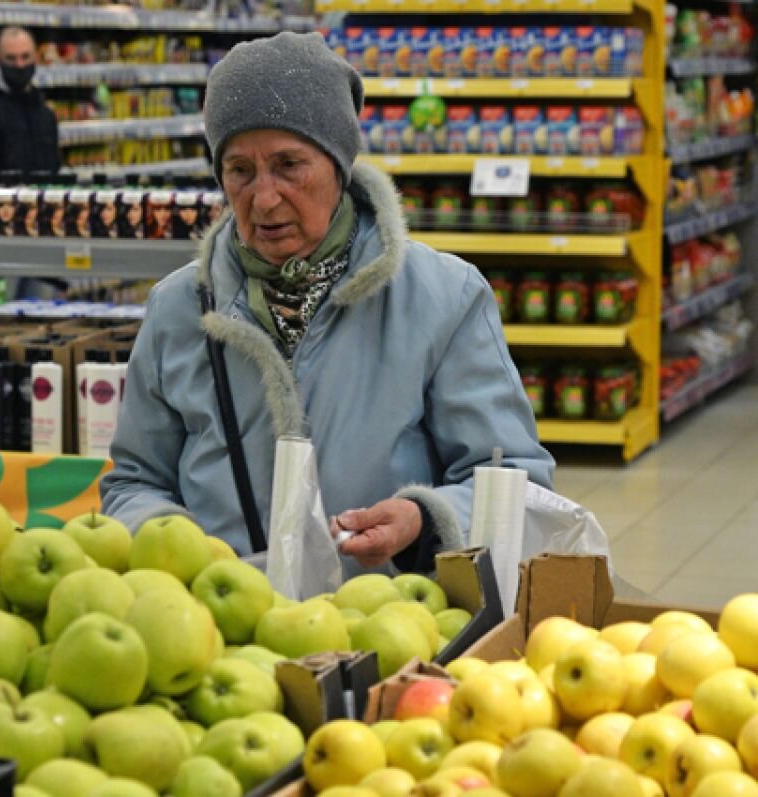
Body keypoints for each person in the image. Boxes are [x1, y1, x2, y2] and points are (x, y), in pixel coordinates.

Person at [100, 32, 555, 573]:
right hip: (220, 633)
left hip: (395, 626)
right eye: (240, 170)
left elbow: (515, 482)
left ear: (338, 165)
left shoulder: (443, 297)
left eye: (290, 165)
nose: (264, 198)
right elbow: (134, 482)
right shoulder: (179, 307)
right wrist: (176, 549)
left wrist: (422, 519)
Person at [0, 27, 60, 181]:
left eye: (25, 57)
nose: (20, 65)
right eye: (11, 58)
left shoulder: (45, 113)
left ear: (36, 57)